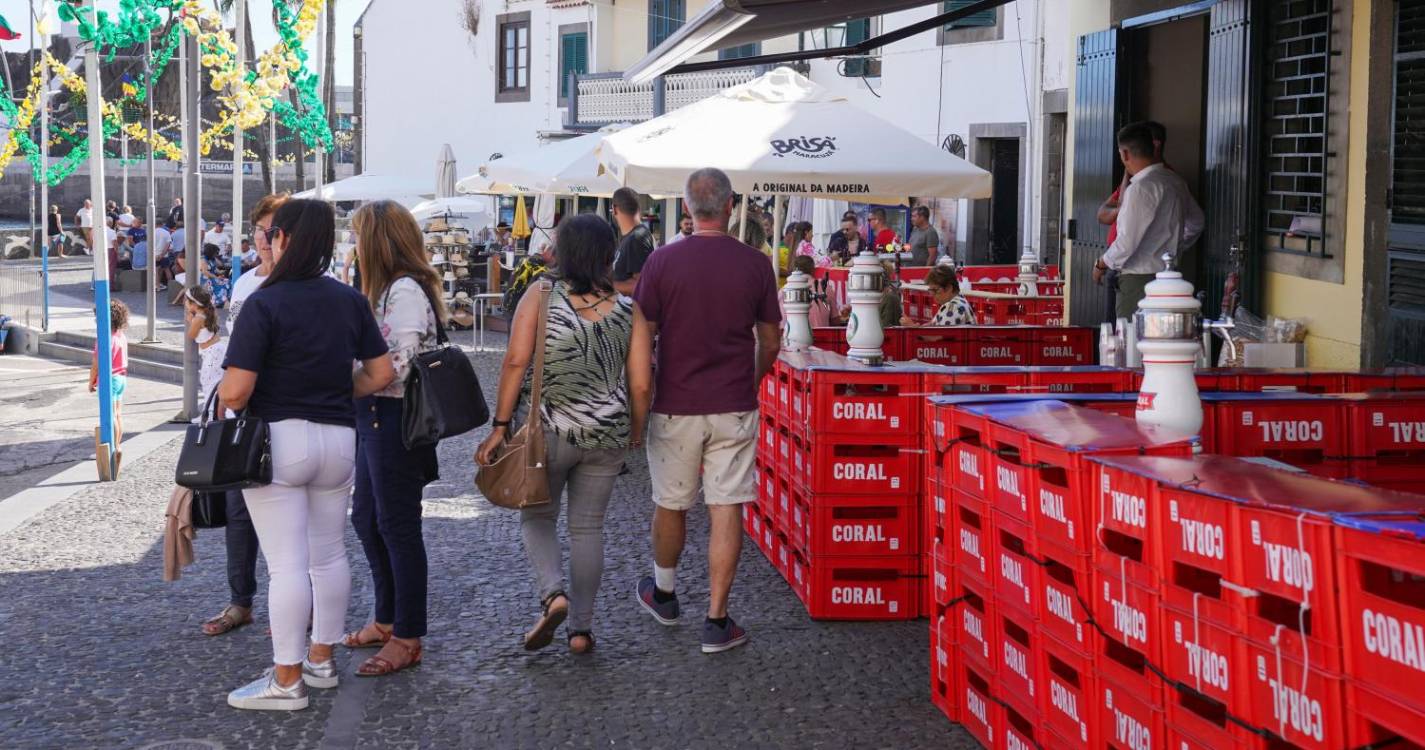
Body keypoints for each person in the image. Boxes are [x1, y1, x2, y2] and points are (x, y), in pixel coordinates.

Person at [218, 199, 395, 711]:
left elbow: (233, 393)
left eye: (272, 233)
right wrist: (338, 390)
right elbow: (381, 374)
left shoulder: (265, 303)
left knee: (288, 566)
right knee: (331, 556)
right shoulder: (349, 301)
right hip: (339, 440)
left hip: (279, 441)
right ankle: (321, 661)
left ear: (286, 240)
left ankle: (287, 680)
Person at [477, 214, 654, 655]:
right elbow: (641, 384)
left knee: (537, 516)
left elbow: (515, 364)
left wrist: (500, 427)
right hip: (607, 433)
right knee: (589, 530)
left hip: (548, 430)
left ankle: (553, 594)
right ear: (608, 254)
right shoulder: (631, 310)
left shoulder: (540, 296)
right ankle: (581, 630)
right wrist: (634, 430)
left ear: (563, 251)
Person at [632, 167, 781, 654]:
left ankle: (665, 591)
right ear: (731, 205)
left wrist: (640, 401)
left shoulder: (660, 263)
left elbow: (642, 340)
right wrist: (753, 376)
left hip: (675, 402)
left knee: (671, 502)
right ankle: (717, 620)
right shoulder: (755, 265)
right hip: (733, 402)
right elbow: (772, 339)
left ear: (687, 207)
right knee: (726, 507)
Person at [340, 201, 446, 676]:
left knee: (398, 526)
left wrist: (343, 388)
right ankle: (386, 617)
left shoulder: (403, 290)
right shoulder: (379, 289)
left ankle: (408, 633)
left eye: (359, 236)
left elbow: (398, 364)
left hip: (396, 417)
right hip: (375, 416)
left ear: (377, 241)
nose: (354, 246)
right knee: (367, 517)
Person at [200, 193, 288, 639]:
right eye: (261, 231)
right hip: (242, 410)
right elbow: (235, 346)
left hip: (288, 412)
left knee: (289, 514)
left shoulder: (316, 283)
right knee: (238, 509)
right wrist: (222, 391)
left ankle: (289, 603)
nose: (267, 240)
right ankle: (241, 601)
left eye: (274, 231)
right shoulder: (245, 284)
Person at [1093, 122, 1204, 320]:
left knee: (1132, 342)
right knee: (1161, 341)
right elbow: (1197, 222)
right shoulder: (1175, 181)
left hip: (1138, 279)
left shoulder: (1139, 188)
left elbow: (1126, 243)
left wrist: (1101, 264)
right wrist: (1173, 247)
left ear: (1125, 154)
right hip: (1169, 279)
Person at [1098, 121, 1169, 247]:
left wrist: (1101, 265)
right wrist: (1127, 170)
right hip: (1116, 256)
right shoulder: (1135, 176)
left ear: (1155, 145)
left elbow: (1128, 240)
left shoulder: (1165, 179)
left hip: (1130, 259)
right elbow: (1102, 215)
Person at [87, 300, 128, 449]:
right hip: (121, 378)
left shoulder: (105, 338)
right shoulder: (120, 335)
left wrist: (91, 381)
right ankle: (118, 445)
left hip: (110, 379)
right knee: (117, 414)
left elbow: (96, 364)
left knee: (110, 415)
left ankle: (114, 447)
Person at [184, 285, 227, 410]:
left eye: (187, 300)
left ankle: (210, 412)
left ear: (194, 304)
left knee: (209, 381)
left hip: (212, 352)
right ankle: (211, 410)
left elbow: (191, 335)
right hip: (215, 350)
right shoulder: (206, 312)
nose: (185, 303)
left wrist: (190, 321)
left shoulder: (198, 318)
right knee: (213, 381)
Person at [611, 187, 654, 296]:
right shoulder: (633, 236)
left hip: (632, 311)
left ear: (615, 209)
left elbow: (641, 285)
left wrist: (604, 286)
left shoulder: (637, 238)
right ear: (638, 208)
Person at [902, 265, 976, 326]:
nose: (932, 294)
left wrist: (911, 327)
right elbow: (933, 326)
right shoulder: (958, 300)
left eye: (935, 290)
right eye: (931, 290)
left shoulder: (953, 307)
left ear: (949, 288)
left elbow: (937, 337)